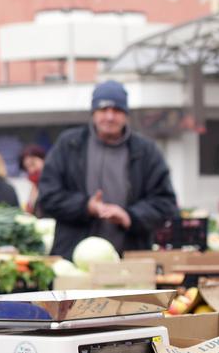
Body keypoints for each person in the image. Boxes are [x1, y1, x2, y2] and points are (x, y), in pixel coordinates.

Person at [38, 80, 177, 258]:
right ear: (93, 113)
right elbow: (48, 195)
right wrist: (85, 206)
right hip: (72, 258)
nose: (110, 117)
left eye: (117, 110)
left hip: (131, 260)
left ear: (126, 114)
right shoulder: (69, 145)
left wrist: (130, 217)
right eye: (103, 110)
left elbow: (166, 203)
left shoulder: (146, 151)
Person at [19, 144, 47, 215]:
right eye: (27, 168)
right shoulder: (33, 185)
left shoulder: (54, 183)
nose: (31, 170)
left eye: (33, 164)